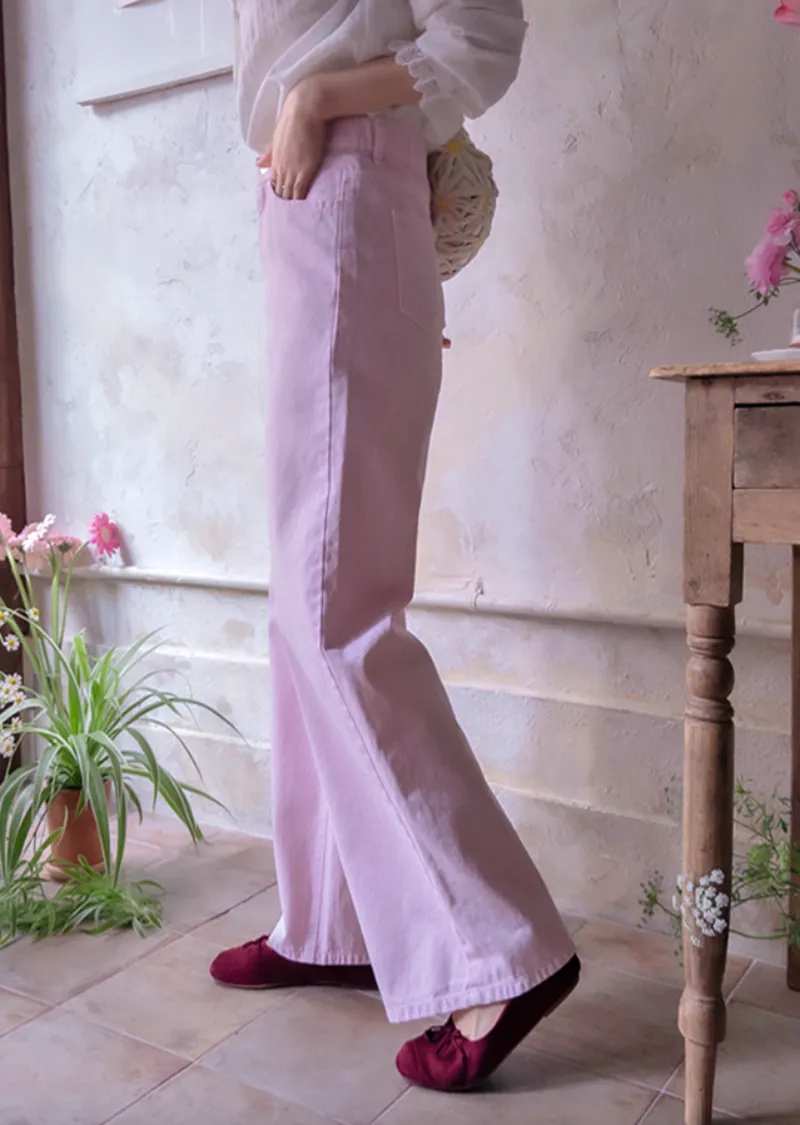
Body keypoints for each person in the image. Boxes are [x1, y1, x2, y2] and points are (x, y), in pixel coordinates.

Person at [210, 0, 580, 1092]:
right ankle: (332, 922)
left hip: (352, 180)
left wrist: (319, 96)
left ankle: (504, 949)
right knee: (305, 597)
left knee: (335, 602)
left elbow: (479, 35)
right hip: (308, 196)